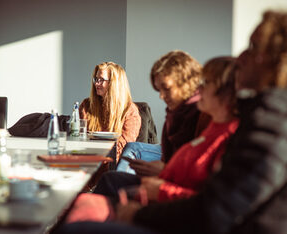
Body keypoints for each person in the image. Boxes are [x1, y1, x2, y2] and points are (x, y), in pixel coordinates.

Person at [55, 10, 287, 234]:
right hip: (176, 204)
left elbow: (216, 211)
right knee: (90, 201)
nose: (241, 57)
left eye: (254, 47)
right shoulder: (249, 115)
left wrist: (140, 211)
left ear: (278, 61)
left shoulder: (271, 120)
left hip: (186, 216)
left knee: (77, 225)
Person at [63, 57, 239, 223]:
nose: (161, 96)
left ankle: (98, 215)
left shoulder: (217, 129)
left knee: (125, 159)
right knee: (103, 186)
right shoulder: (199, 121)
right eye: (96, 79)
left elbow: (197, 189)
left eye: (166, 88)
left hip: (166, 195)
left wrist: (159, 182)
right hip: (159, 185)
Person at [116, 50, 210, 175]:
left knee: (113, 179)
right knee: (110, 179)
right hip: (168, 181)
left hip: (175, 186)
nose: (161, 96)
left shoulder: (203, 114)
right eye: (159, 89)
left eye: (166, 88)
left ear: (186, 81)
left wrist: (165, 172)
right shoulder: (173, 115)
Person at [79, 61, 141, 163]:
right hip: (87, 158)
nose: (96, 83)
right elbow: (80, 138)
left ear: (114, 83)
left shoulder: (130, 111)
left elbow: (123, 148)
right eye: (96, 79)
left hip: (112, 163)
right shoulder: (86, 105)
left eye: (101, 80)